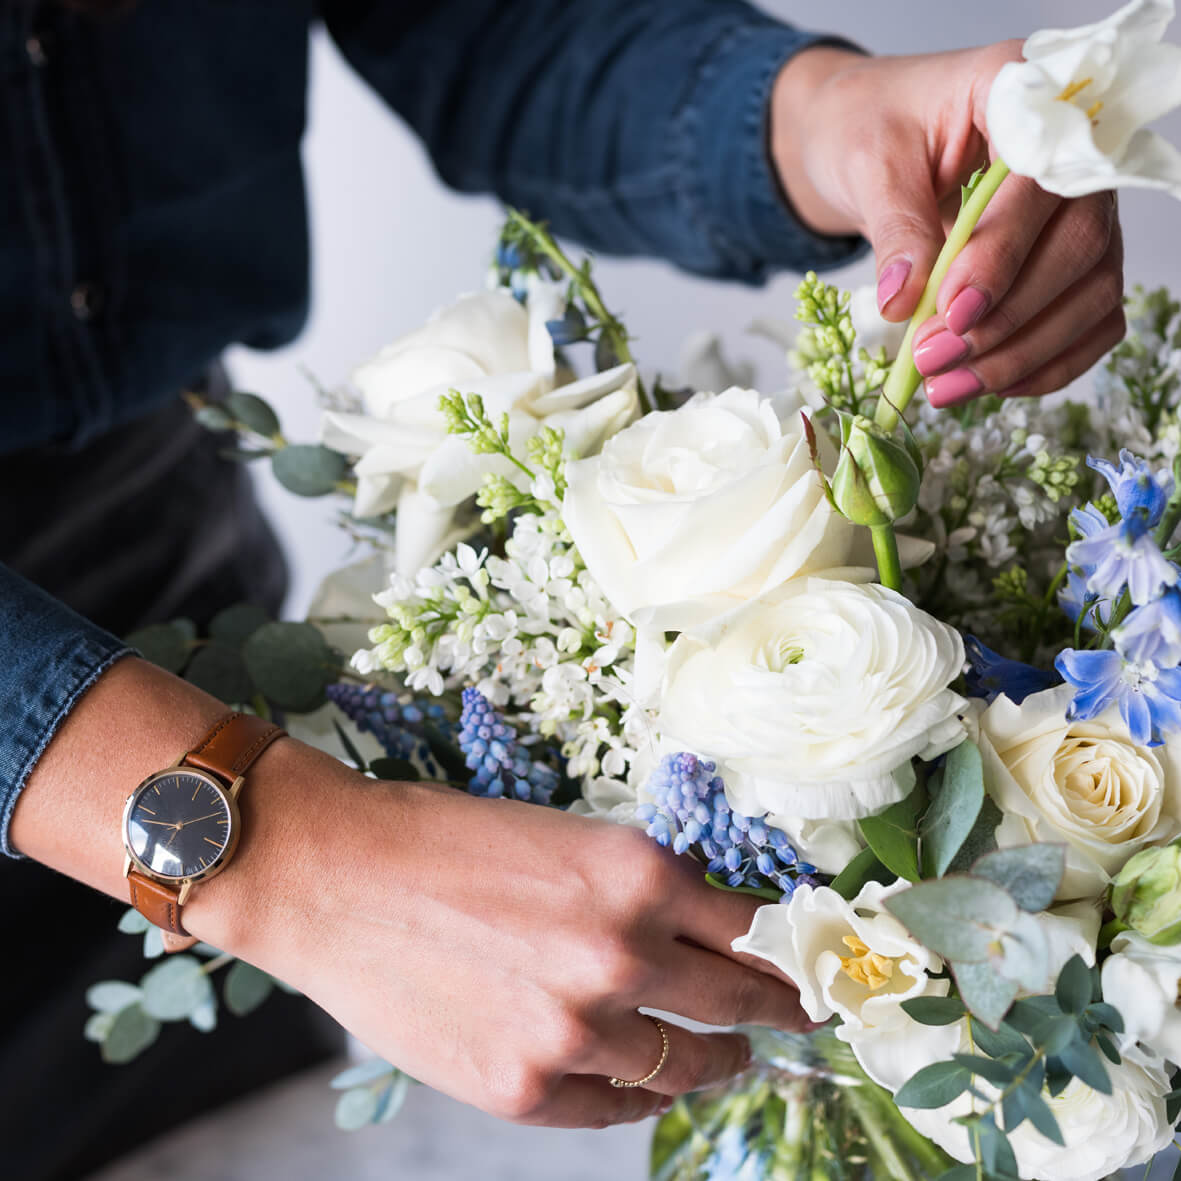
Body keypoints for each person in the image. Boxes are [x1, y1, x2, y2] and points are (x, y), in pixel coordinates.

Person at [1, 1, 1125, 1178]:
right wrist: (287, 855)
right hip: (206, 803)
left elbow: (484, 28)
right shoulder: (285, 847)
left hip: (180, 592)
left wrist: (819, 115)